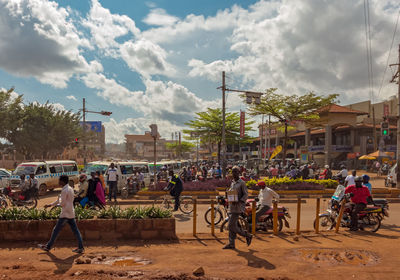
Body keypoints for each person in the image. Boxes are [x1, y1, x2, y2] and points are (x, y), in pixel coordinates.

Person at [39, 175, 84, 253]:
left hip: (65, 214)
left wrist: (56, 205)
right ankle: (81, 247)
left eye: (59, 180)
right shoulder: (70, 189)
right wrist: (50, 205)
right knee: (76, 231)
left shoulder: (64, 190)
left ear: (62, 181)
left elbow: (62, 203)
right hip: (71, 212)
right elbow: (60, 200)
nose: (58, 182)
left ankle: (48, 246)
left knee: (56, 230)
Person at [223, 166, 252, 250]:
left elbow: (246, 194)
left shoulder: (242, 183)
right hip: (232, 207)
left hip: (238, 207)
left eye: (235, 172)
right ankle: (231, 243)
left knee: (231, 225)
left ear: (239, 173)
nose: (234, 173)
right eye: (233, 172)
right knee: (232, 226)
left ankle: (247, 235)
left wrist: (239, 200)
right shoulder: (232, 182)